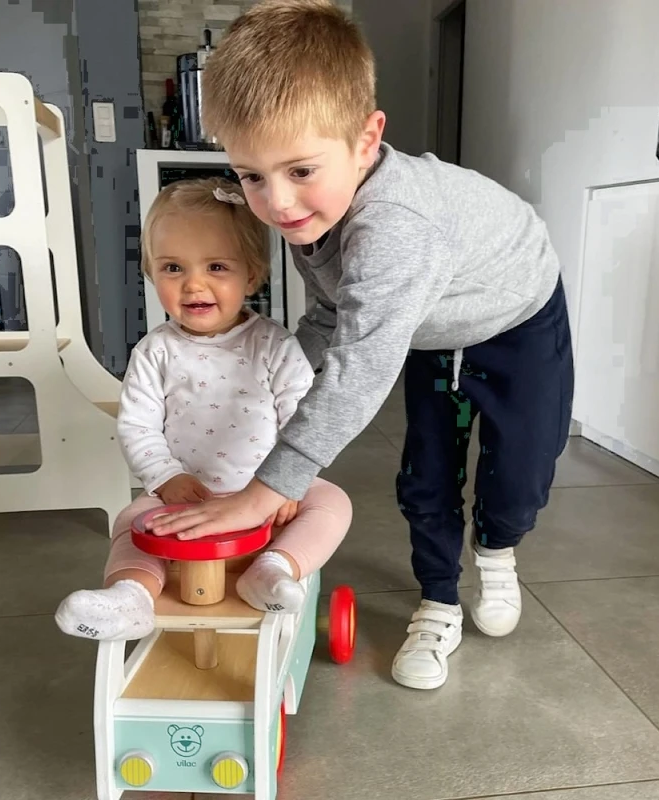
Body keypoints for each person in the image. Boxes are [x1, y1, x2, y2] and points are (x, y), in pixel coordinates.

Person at [148, 0, 574, 690]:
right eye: (252, 176)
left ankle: (497, 548)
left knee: (520, 474)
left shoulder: (394, 229)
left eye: (300, 171)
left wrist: (268, 489)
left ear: (367, 140)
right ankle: (439, 600)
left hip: (515, 316)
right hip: (424, 328)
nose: (278, 203)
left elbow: (360, 366)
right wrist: (268, 380)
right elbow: (329, 313)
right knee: (426, 476)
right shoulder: (311, 219)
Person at [55, 177, 352, 642]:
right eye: (173, 268)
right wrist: (166, 478)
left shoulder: (274, 346)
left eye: (216, 266)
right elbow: (137, 426)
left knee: (332, 503)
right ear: (152, 273)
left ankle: (274, 569)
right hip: (185, 496)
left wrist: (288, 485)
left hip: (266, 494)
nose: (194, 284)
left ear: (251, 275)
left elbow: (301, 417)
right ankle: (131, 596)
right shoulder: (155, 352)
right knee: (130, 520)